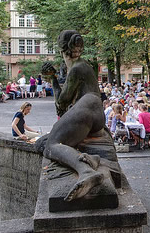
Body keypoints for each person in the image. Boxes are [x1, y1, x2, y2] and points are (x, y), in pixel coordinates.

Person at [40, 30, 107, 202]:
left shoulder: (77, 68)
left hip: (87, 109)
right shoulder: (83, 66)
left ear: (63, 51)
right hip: (93, 110)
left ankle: (86, 171)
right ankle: (91, 160)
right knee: (45, 142)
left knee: (50, 145)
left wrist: (53, 79)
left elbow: (61, 102)